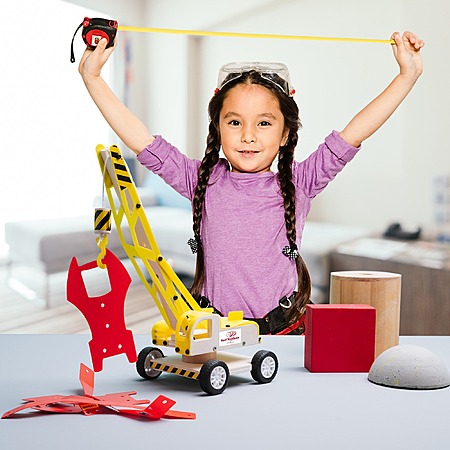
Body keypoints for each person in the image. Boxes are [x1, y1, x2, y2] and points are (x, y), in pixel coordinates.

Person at [78, 31, 424, 335]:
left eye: (264, 123)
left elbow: (353, 134)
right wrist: (93, 78)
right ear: (218, 129)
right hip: (213, 331)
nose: (247, 136)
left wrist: (406, 76)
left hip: (284, 330)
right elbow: (142, 141)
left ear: (285, 134)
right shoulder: (202, 180)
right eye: (234, 122)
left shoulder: (301, 182)